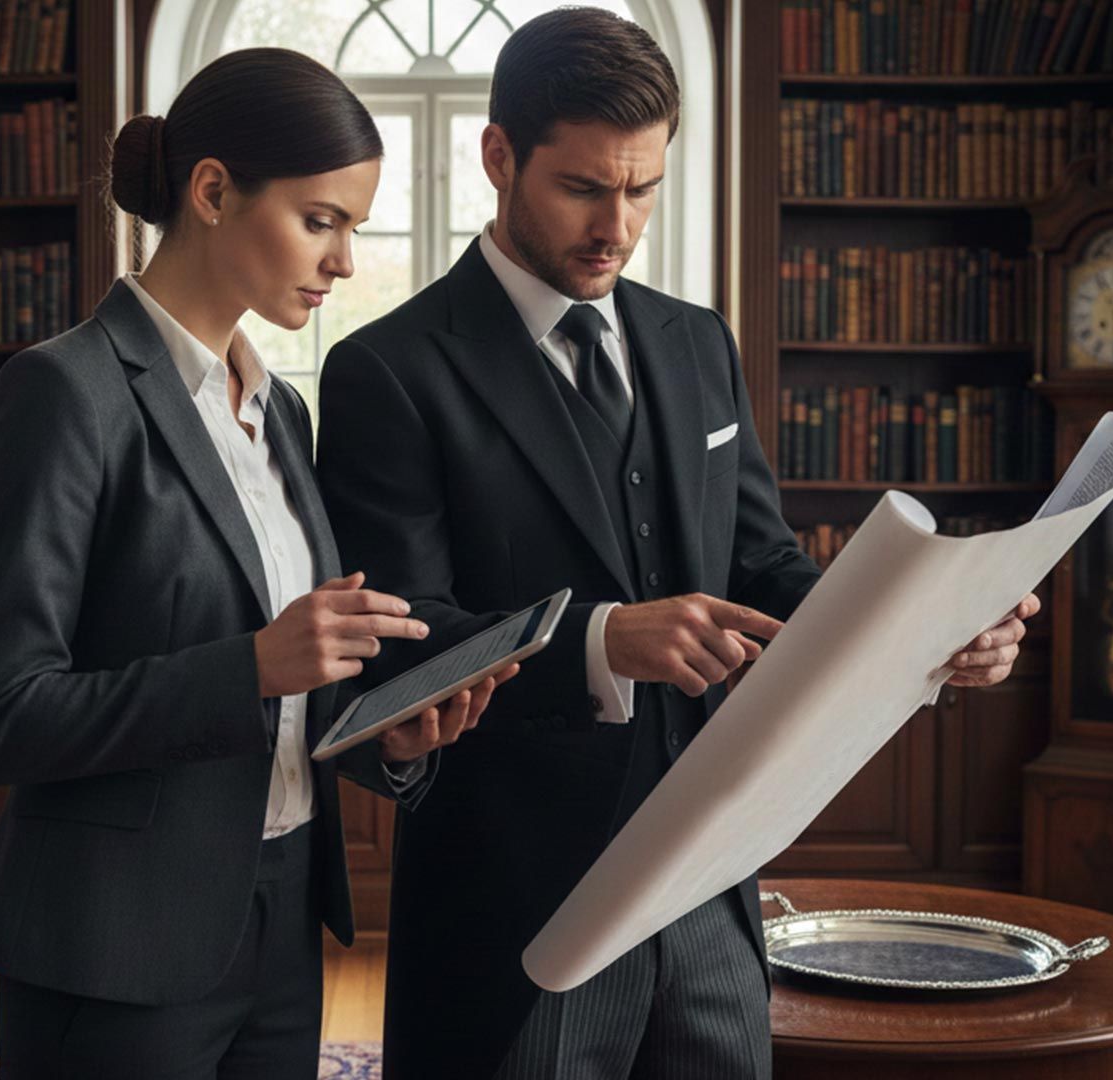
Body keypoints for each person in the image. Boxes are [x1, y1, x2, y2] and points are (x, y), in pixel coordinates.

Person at [316, 10, 1040, 1079]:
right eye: (583, 188)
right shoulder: (387, 370)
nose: (617, 224)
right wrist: (603, 642)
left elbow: (762, 570)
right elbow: (398, 643)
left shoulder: (694, 341)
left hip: (712, 889)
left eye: (643, 187)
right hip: (522, 908)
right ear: (498, 156)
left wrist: (929, 630)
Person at [0, 47, 510, 1079]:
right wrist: (249, 665)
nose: (343, 261)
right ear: (211, 190)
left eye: (353, 227)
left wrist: (393, 739)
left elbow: (297, 696)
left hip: (281, 923)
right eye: (320, 219)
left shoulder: (279, 411)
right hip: (114, 947)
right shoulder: (61, 396)